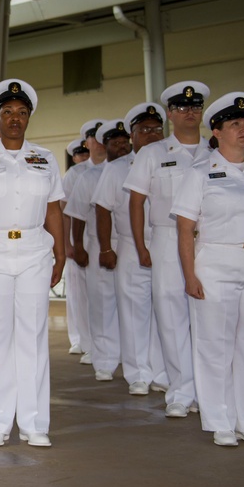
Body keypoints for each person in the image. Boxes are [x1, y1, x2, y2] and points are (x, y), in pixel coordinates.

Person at [172, 92, 244, 446]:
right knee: (215, 344)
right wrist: (190, 275)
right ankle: (220, 420)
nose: (243, 130)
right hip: (218, 264)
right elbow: (185, 228)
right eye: (235, 124)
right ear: (217, 131)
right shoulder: (200, 173)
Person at [0, 78, 66, 448]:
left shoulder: (46, 159)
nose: (15, 119)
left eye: (21, 113)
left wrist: (61, 253)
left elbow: (54, 209)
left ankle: (35, 424)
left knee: (32, 336)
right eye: (7, 113)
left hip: (35, 249)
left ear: (29, 117)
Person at [124, 81, 211, 419]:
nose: (190, 113)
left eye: (195, 107)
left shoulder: (215, 152)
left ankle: (208, 392)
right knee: (171, 316)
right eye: (182, 108)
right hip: (166, 238)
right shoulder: (152, 154)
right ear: (171, 114)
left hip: (208, 241)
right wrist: (141, 244)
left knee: (206, 319)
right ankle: (180, 391)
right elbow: (136, 201)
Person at [92, 103, 169, 396]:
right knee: (134, 310)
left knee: (167, 312)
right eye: (144, 130)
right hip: (128, 245)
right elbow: (103, 209)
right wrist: (105, 248)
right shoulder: (117, 168)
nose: (151, 135)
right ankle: (138, 373)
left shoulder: (174, 162)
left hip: (166, 243)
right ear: (133, 135)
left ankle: (163, 372)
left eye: (157, 129)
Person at [66, 119, 124, 382]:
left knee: (131, 305)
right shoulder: (83, 175)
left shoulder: (129, 169)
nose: (102, 143)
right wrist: (75, 245)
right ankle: (104, 358)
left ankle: (130, 355)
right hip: (97, 243)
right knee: (100, 303)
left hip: (129, 243)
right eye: (97, 138)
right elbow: (74, 214)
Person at [61, 136, 91, 357]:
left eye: (86, 152)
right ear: (73, 157)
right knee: (77, 293)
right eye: (79, 154)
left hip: (94, 237)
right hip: (76, 238)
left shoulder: (101, 170)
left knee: (97, 294)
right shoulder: (72, 175)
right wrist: (66, 244)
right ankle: (78, 338)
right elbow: (63, 210)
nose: (84, 157)